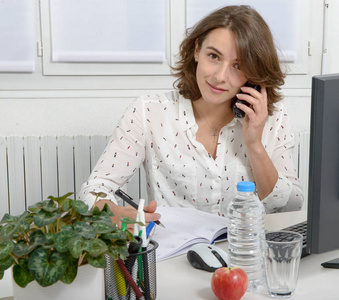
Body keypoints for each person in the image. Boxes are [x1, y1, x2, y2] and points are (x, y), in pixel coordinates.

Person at [79, 5, 303, 229]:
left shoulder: (274, 118)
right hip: (173, 257)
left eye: (238, 65)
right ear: (197, 50)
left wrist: (255, 145)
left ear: (254, 73)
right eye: (213, 56)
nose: (220, 76)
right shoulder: (148, 112)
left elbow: (291, 208)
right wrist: (114, 213)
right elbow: (92, 190)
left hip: (245, 256)